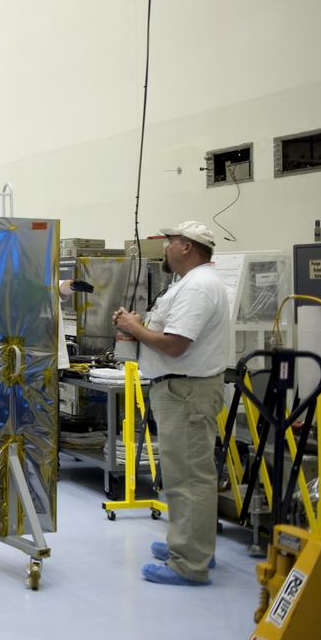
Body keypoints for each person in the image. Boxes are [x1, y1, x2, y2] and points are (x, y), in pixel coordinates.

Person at [112, 220, 230, 586]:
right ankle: (190, 545)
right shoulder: (187, 285)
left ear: (187, 247)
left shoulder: (199, 287)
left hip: (187, 392)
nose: (165, 247)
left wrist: (134, 328)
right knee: (182, 475)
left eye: (170, 241)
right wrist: (137, 323)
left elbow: (176, 345)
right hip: (180, 390)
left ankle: (189, 562)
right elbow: (167, 332)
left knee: (189, 479)